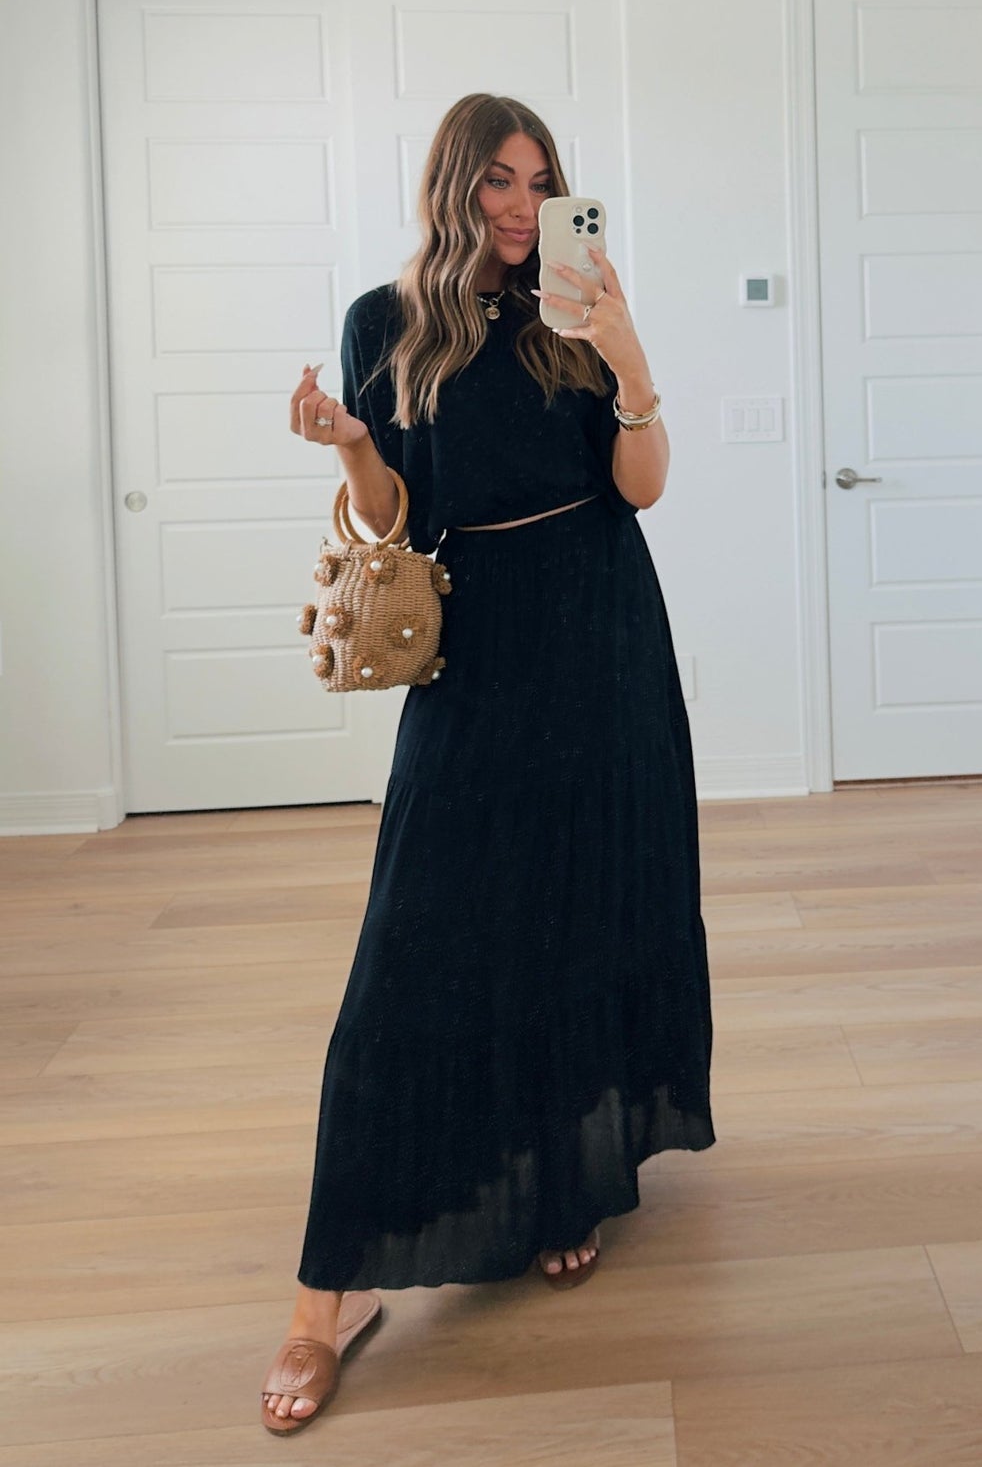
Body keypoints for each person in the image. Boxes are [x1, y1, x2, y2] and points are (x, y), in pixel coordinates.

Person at [260, 93, 716, 1433]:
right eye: (498, 183)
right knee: (419, 937)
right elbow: (393, 512)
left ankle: (563, 1182)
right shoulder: (379, 323)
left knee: (589, 902)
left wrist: (628, 356)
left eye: (542, 183)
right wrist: (351, 443)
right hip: (477, 638)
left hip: (603, 623)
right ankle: (324, 1296)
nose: (522, 208)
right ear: (452, 186)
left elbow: (639, 486)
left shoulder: (576, 308)